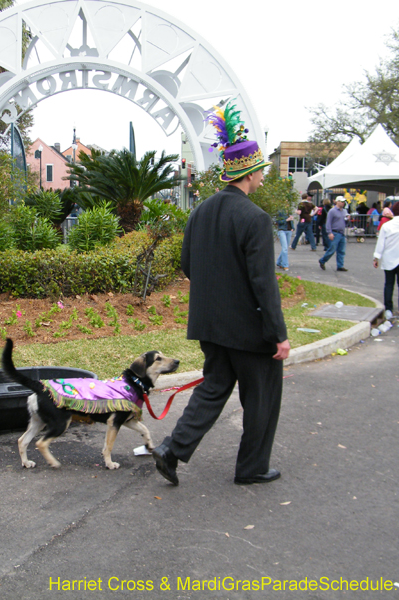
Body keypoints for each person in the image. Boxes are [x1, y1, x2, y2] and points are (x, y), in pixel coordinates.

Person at [152, 104, 290, 487]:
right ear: (250, 172)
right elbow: (264, 283)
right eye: (260, 169)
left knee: (212, 390)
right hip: (249, 331)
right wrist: (279, 333)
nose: (262, 175)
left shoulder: (201, 212)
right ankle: (252, 467)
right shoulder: (256, 218)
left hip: (211, 326)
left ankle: (172, 450)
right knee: (261, 399)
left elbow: (187, 264)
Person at [318, 197, 350, 271]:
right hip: (335, 232)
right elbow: (328, 223)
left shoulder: (344, 211)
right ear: (337, 202)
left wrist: (348, 219)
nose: (343, 203)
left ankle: (340, 265)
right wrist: (329, 233)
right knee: (332, 249)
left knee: (341, 250)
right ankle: (322, 260)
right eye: (341, 202)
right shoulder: (332, 211)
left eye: (344, 202)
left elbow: (346, 222)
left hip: (342, 233)